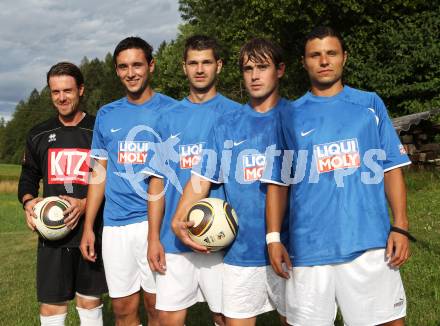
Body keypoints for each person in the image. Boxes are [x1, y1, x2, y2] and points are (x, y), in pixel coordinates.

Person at [263, 26, 412, 326]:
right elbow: (278, 183)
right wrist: (273, 238)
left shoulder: (369, 104)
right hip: (308, 249)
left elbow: (391, 167)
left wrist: (401, 225)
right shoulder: (287, 115)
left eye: (331, 53)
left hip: (368, 243)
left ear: (344, 57)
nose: (324, 61)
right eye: (315, 55)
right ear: (304, 62)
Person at [171, 38, 289, 326]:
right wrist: (178, 218)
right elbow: (201, 178)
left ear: (280, 70)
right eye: (248, 68)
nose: (255, 75)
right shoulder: (227, 124)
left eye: (263, 67)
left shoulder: (298, 117)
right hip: (242, 250)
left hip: (293, 247)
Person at [144, 35, 241, 326]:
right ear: (184, 67)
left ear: (219, 66)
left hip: (222, 237)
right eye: (193, 63)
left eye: (207, 62)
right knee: (168, 319)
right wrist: (153, 239)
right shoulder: (167, 118)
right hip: (174, 240)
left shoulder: (236, 115)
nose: (200, 69)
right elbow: (157, 183)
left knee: (225, 317)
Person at [80, 37, 176, 326]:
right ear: (117, 70)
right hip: (115, 227)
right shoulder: (108, 114)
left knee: (158, 308)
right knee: (122, 311)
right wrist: (88, 226)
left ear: (151, 65)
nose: (130, 73)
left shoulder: (172, 111)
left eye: (137, 65)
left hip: (154, 224)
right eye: (123, 67)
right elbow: (98, 173)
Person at [18, 62, 107, 326]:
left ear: (81, 90)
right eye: (55, 92)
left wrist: (83, 203)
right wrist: (27, 203)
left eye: (67, 90)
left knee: (89, 301)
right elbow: (29, 177)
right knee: (51, 306)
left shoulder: (98, 130)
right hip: (52, 234)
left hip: (90, 230)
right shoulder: (38, 134)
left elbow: (108, 178)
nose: (62, 97)